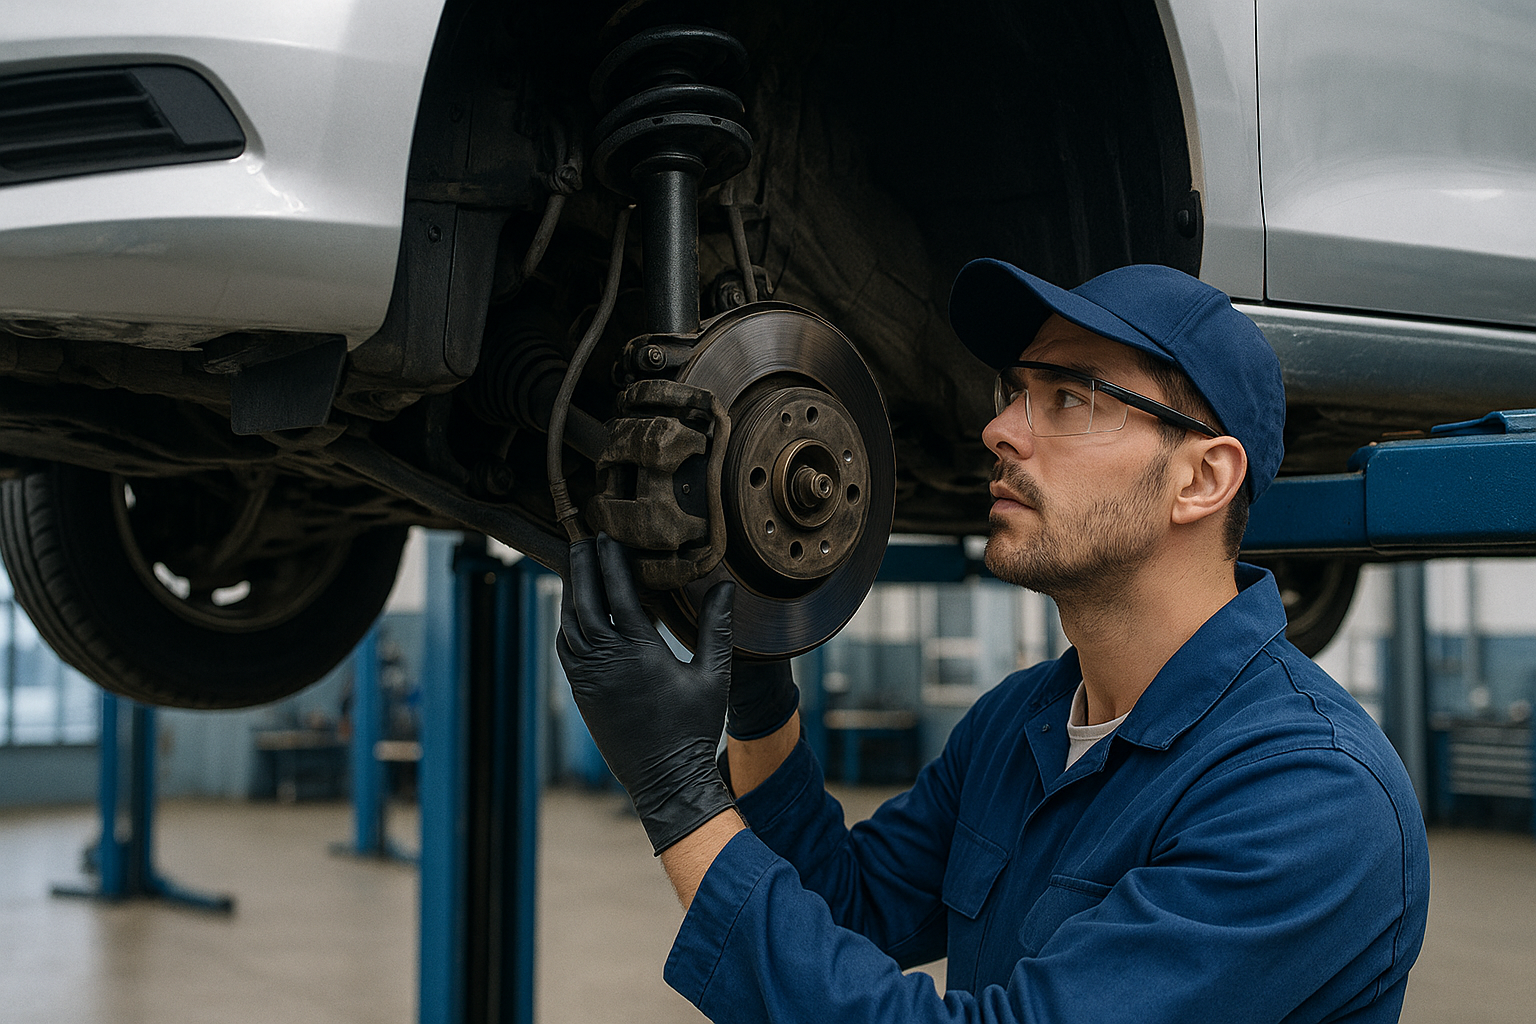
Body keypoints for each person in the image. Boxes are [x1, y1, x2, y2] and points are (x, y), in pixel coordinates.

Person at [557, 259, 1431, 1024]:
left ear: (1201, 478)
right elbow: (847, 911)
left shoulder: (1311, 799)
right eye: (1015, 391)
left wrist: (678, 790)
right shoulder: (1024, 723)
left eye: (1069, 397)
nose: (1001, 430)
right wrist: (758, 688)